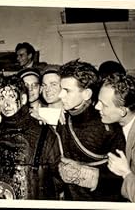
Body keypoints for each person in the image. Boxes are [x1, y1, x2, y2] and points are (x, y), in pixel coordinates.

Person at [0, 75, 60, 200]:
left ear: (24, 99)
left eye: (12, 97)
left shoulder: (45, 133)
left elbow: (58, 180)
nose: (6, 104)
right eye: (1, 98)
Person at [54, 60, 126, 201]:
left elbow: (124, 178)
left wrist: (91, 176)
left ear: (86, 94)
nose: (60, 95)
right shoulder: (63, 119)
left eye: (67, 91)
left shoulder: (108, 126)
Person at [95, 73, 135, 202]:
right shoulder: (125, 120)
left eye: (104, 105)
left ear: (122, 111)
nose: (97, 107)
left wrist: (125, 173)